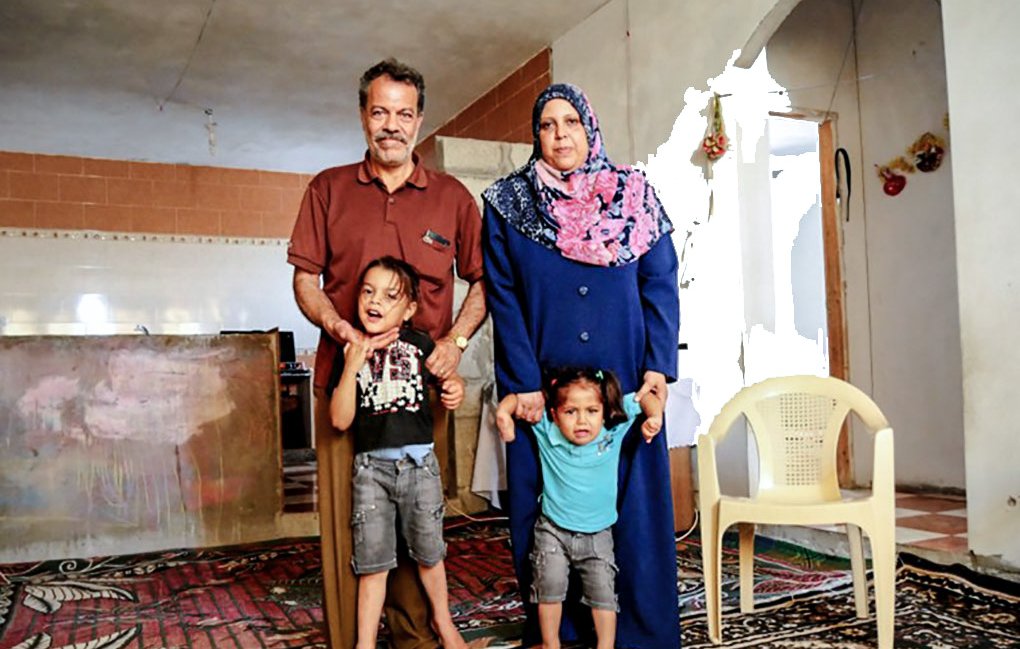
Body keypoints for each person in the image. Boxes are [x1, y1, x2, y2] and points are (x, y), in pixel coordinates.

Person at [288, 58, 486, 649]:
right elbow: (304, 280)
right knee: (354, 533)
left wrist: (454, 345)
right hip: (342, 387)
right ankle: (355, 640)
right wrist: (336, 326)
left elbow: (483, 283)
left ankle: (420, 638)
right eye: (380, 112)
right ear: (362, 117)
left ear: (420, 121)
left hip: (421, 394)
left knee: (420, 526)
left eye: (404, 114)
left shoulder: (451, 197)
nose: (392, 125)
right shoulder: (328, 189)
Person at [481, 83, 681, 648]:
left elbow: (660, 285)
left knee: (634, 505)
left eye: (571, 121)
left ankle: (638, 632)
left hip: (624, 378)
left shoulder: (635, 197)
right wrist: (522, 383)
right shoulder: (508, 203)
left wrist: (657, 370)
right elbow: (503, 294)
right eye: (547, 124)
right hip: (545, 388)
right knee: (544, 509)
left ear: (589, 128)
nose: (560, 134)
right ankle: (558, 632)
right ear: (535, 134)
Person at [327, 257, 467, 649]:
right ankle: (365, 644)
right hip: (371, 472)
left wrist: (454, 386)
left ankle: (444, 624)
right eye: (368, 291)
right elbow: (339, 420)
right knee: (372, 564)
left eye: (390, 296)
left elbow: (449, 384)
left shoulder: (420, 344)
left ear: (408, 310)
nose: (375, 301)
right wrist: (353, 362)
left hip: (420, 467)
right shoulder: (352, 350)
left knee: (429, 554)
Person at [494, 367, 664, 649]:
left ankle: (606, 646)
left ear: (603, 411)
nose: (582, 420)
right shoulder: (547, 431)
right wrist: (503, 413)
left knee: (603, 596)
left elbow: (646, 399)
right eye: (571, 412)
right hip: (552, 532)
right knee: (548, 589)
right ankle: (551, 644)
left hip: (598, 536)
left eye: (591, 411)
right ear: (554, 413)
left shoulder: (612, 431)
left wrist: (655, 416)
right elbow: (516, 401)